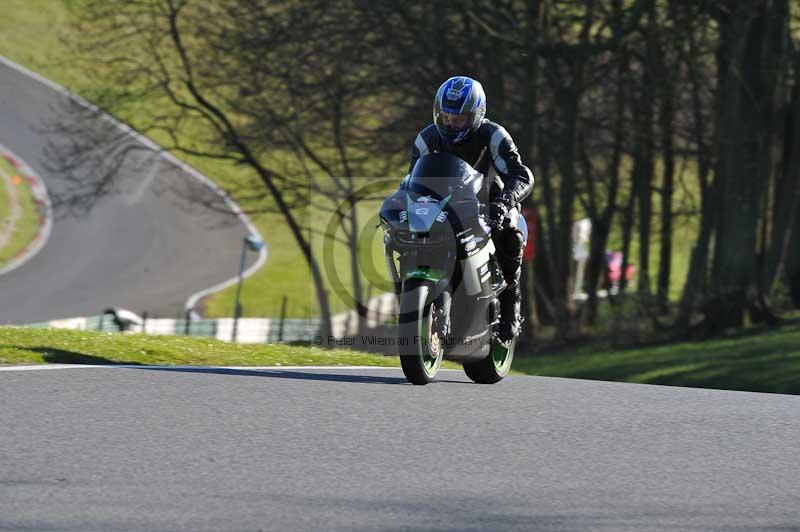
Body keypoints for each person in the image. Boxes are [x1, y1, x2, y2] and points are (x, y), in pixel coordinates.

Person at [408, 75, 534, 342]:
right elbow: (412, 180)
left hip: (489, 202)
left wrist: (504, 202)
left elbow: (521, 174)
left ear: (477, 114)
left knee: (510, 232)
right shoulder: (426, 139)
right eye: (446, 117)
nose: (452, 124)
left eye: (460, 119)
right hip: (441, 205)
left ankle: (511, 299)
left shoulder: (494, 135)